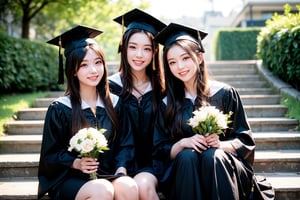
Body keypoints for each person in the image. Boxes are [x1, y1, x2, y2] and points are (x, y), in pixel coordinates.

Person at [152, 23, 256, 200]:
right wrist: (183, 143)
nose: (180, 66)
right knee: (186, 156)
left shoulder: (224, 93)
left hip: (222, 167)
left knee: (212, 156)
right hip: (184, 171)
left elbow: (244, 140)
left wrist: (220, 144)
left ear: (199, 57)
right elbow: (159, 149)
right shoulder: (166, 103)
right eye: (172, 62)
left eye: (185, 58)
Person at [37, 25, 138, 200]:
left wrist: (121, 167)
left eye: (98, 62)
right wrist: (76, 162)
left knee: (128, 186)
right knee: (102, 189)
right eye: (84, 64)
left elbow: (125, 143)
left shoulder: (116, 103)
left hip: (107, 173)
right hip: (70, 178)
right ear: (73, 71)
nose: (93, 70)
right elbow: (50, 155)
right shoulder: (60, 108)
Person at [108, 8, 166, 200]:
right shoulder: (109, 87)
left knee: (144, 187)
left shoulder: (163, 89)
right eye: (133, 47)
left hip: (152, 164)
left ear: (154, 52)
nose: (139, 54)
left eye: (147, 48)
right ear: (123, 47)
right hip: (116, 164)